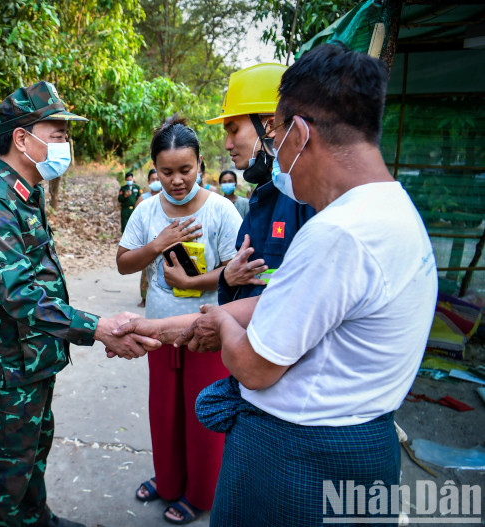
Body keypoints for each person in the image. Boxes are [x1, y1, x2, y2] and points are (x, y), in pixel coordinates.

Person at [128, 43, 439, 526]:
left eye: (270, 130)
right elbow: (290, 303)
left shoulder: (336, 234)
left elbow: (253, 367)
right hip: (357, 442)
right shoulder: (392, 212)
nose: (260, 144)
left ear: (297, 133)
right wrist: (179, 324)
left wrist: (218, 325)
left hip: (300, 460)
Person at [0, 80, 159, 527]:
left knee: (32, 452)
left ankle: (37, 519)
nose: (66, 143)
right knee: (6, 473)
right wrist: (99, 327)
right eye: (58, 133)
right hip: (8, 366)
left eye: (67, 134)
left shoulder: (22, 192)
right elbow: (23, 296)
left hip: (33, 359)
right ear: (22, 138)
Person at [116, 115, 242, 524]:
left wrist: (191, 280)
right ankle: (169, 481)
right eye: (166, 172)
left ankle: (201, 494)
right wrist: (158, 244)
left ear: (201, 164)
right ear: (155, 170)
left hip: (207, 333)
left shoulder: (222, 212)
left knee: (202, 416)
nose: (176, 180)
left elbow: (235, 273)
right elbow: (123, 263)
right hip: (159, 332)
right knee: (165, 413)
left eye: (185, 170)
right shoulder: (148, 211)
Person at [206, 62, 315, 305]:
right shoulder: (264, 195)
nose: (227, 144)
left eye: (233, 130)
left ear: (269, 125)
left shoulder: (304, 197)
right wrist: (228, 277)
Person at [135, 168, 162, 307]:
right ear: (148, 181)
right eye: (153, 179)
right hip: (147, 240)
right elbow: (136, 221)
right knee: (146, 270)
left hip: (163, 238)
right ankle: (144, 298)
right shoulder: (143, 199)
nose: (156, 182)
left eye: (158, 179)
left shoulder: (167, 198)